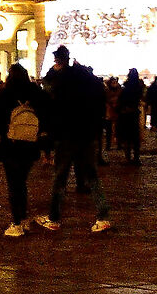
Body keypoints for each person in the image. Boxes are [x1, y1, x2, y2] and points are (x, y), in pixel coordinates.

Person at [40, 46, 112, 233]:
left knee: (60, 178)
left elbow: (47, 90)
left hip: (66, 135)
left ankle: (54, 218)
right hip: (87, 134)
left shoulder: (61, 79)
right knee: (92, 176)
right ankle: (103, 216)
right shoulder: (85, 79)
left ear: (58, 60)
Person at [0, 63, 47, 237]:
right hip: (30, 143)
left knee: (14, 184)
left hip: (11, 144)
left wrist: (1, 133)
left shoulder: (5, 94)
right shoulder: (36, 92)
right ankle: (23, 218)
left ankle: (16, 221)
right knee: (21, 181)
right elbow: (47, 113)